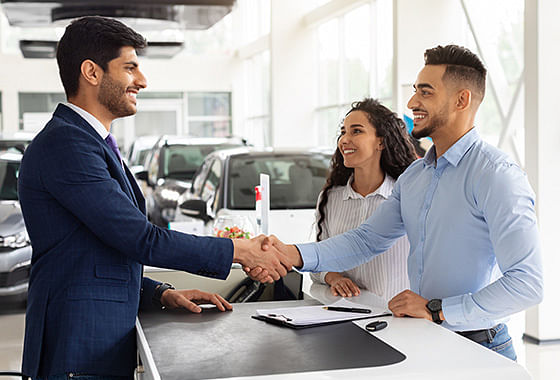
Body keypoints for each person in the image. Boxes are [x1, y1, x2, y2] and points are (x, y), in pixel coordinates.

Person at [18, 16, 288, 380]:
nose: (141, 81)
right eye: (130, 68)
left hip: (94, 338)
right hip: (78, 344)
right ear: (91, 72)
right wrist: (241, 251)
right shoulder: (67, 144)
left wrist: (160, 293)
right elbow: (138, 237)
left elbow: (93, 255)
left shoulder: (90, 142)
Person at [254, 45, 543, 361]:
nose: (412, 103)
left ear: (462, 100)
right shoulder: (416, 176)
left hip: (479, 346)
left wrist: (438, 309)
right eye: (415, 91)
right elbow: (367, 240)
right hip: (424, 339)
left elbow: (527, 283)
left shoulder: (496, 175)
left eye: (426, 93)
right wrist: (292, 254)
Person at [310, 98, 416, 301]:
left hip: (400, 321)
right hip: (346, 316)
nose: (344, 140)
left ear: (381, 141)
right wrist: (334, 277)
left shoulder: (408, 195)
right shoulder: (331, 198)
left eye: (356, 131)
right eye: (343, 132)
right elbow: (318, 260)